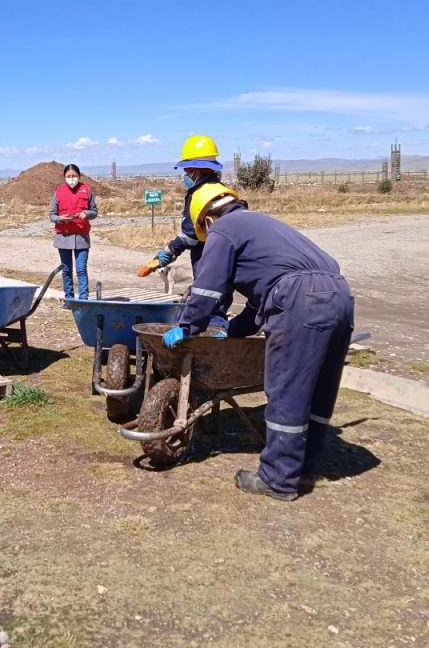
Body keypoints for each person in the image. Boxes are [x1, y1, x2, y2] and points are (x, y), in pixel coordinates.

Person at [163, 183, 354, 501]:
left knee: (287, 389)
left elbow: (208, 288)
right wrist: (232, 331)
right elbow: (259, 305)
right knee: (319, 387)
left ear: (207, 219)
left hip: (298, 298)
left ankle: (278, 479)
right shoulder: (261, 225)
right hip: (340, 294)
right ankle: (305, 466)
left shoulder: (223, 228)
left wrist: (188, 326)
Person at [147, 134, 228, 328]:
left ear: (195, 171)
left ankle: (209, 339)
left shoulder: (199, 194)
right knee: (221, 300)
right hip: (227, 253)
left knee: (207, 303)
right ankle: (219, 334)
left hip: (207, 254)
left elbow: (190, 235)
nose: (186, 175)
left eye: (187, 170)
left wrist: (166, 254)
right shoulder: (222, 190)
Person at [49, 163, 98, 300]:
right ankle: (69, 299)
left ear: (79, 175)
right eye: (68, 176)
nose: (71, 178)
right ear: (64, 177)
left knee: (81, 269)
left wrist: (86, 213)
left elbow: (94, 212)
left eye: (74, 176)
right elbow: (52, 215)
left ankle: (83, 300)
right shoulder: (59, 191)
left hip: (81, 237)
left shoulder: (86, 190)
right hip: (63, 238)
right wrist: (60, 218)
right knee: (66, 270)